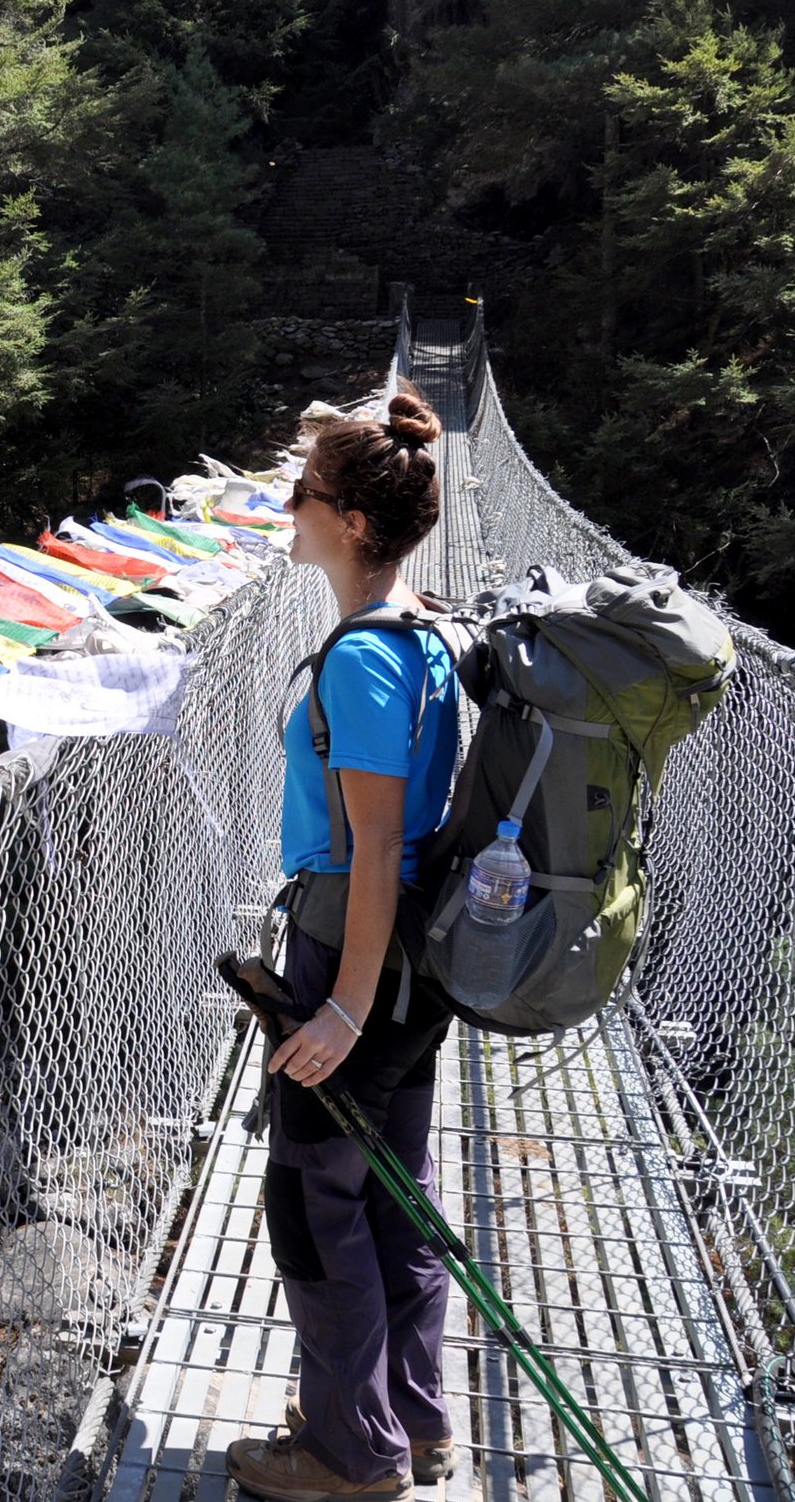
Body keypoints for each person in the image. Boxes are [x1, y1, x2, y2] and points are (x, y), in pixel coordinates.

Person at [228, 386, 460, 1502]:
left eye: (304, 494)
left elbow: (375, 848)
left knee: (312, 1201)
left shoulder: (365, 658)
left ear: (352, 524)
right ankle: (409, 1421)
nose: (289, 509)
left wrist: (342, 1008)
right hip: (420, 960)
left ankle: (346, 1453)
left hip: (356, 953)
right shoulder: (432, 631)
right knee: (389, 1189)